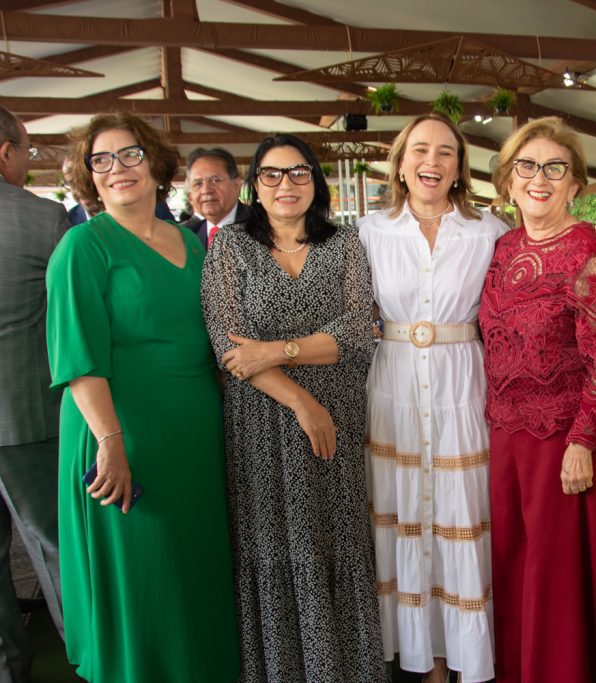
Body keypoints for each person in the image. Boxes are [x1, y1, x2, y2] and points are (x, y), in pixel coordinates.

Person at [46, 112, 239, 682]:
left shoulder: (188, 241)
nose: (117, 169)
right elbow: (79, 361)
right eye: (100, 160)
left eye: (129, 154)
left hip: (194, 433)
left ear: (155, 163)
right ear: (89, 178)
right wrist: (110, 442)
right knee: (146, 571)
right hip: (121, 431)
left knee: (194, 564)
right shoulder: (82, 247)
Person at [201, 133, 385, 682]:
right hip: (263, 426)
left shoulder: (344, 243)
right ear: (254, 186)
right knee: (275, 544)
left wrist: (274, 352)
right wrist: (303, 400)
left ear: (317, 180)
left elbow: (357, 330)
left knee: (339, 538)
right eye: (273, 175)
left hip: (338, 420)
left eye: (299, 172)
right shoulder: (230, 247)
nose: (287, 185)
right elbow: (228, 347)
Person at [479, 116, 596, 683]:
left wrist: (581, 442)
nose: (539, 178)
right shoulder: (502, 248)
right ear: (509, 179)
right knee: (515, 566)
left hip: (563, 442)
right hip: (506, 436)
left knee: (556, 577)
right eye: (527, 166)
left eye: (554, 167)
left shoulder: (587, 252)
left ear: (575, 184)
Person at [358, 113, 504, 683]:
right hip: (392, 380)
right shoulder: (370, 231)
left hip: (461, 382)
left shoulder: (488, 230)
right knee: (404, 509)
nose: (432, 162)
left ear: (460, 167)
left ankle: (461, 653)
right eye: (420, 150)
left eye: (446, 152)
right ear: (399, 162)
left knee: (458, 508)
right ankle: (420, 656)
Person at [0, 105, 68, 682]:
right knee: (56, 549)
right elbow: (72, 324)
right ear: (5, 152)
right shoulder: (45, 220)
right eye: (25, 150)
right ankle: (89, 660)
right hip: (26, 417)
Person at [184, 147, 250, 249]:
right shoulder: (185, 235)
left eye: (215, 180)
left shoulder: (263, 226)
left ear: (236, 185)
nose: (206, 190)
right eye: (198, 183)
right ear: (190, 195)